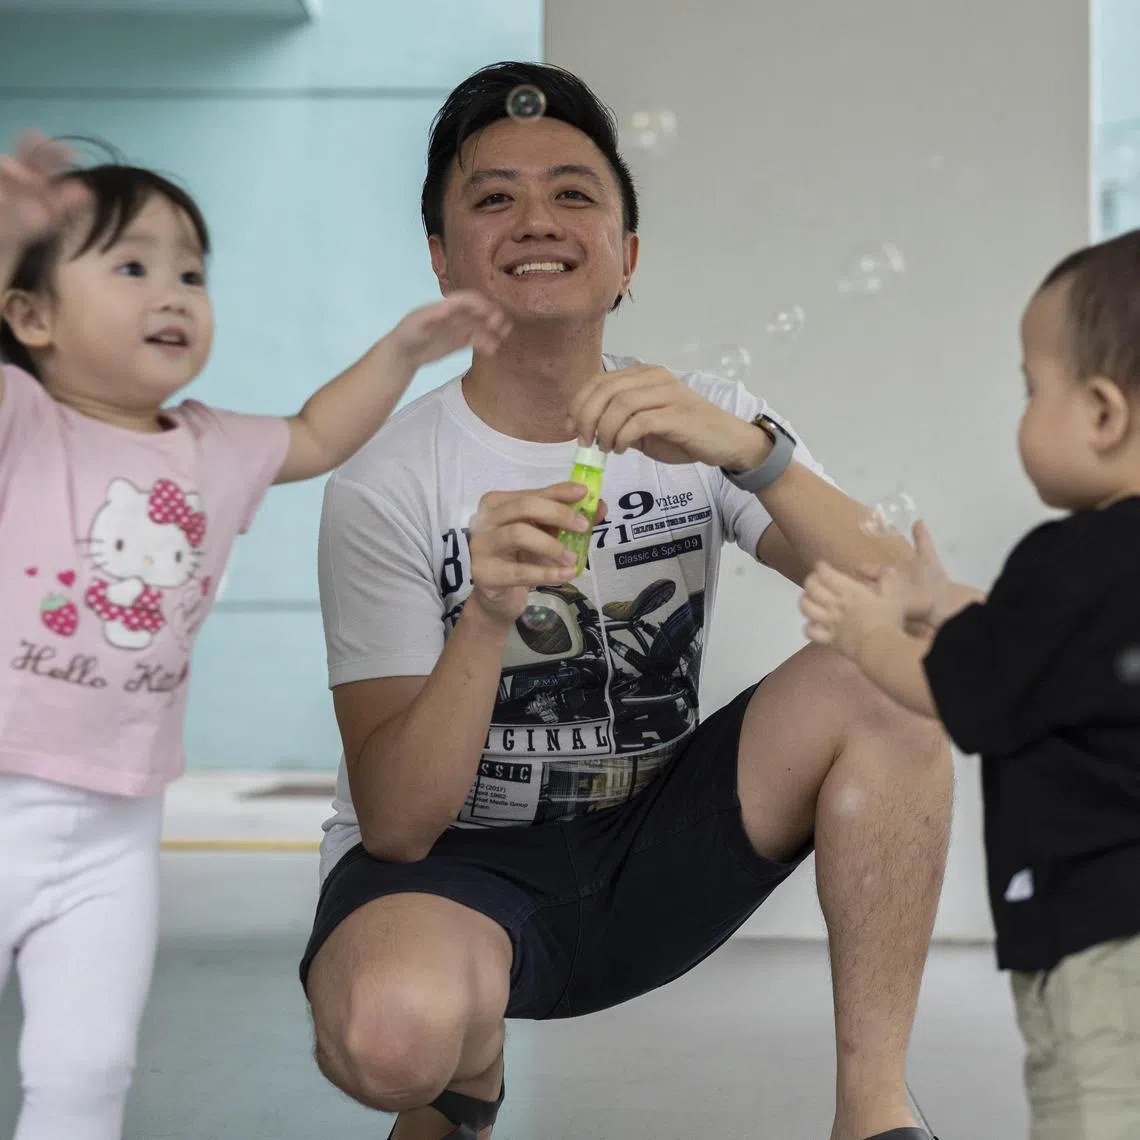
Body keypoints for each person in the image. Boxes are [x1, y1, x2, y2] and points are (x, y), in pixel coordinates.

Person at [302, 62, 951, 1140]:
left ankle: (874, 1117)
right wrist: (489, 616)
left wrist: (751, 453)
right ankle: (460, 1067)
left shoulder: (705, 422)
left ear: (627, 256)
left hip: (655, 847)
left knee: (885, 680)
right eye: (492, 197)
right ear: (441, 260)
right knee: (390, 1038)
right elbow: (402, 826)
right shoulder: (385, 484)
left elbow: (917, 617)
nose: (536, 221)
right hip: (453, 875)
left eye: (573, 192)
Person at [0, 133, 510, 1140]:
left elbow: (318, 434)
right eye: (133, 265)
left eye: (191, 270)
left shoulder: (210, 446)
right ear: (30, 316)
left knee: (90, 1062)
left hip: (116, 830)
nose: (175, 292)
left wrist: (405, 351)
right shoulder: (22, 419)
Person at [800, 231, 1140, 1140]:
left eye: (1034, 389)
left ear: (1104, 413)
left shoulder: (1064, 562)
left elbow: (968, 695)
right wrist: (936, 598)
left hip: (1105, 939)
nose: (1024, 411)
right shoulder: (1095, 584)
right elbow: (1040, 648)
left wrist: (870, 635)